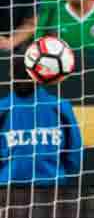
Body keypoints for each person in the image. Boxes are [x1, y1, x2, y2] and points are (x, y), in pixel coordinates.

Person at [0, 50, 82, 185]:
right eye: (19, 75)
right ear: (11, 75)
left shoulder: (60, 107)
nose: (22, 80)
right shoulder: (2, 109)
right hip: (7, 191)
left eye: (26, 76)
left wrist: (59, 176)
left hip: (53, 190)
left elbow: (74, 155)